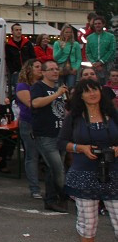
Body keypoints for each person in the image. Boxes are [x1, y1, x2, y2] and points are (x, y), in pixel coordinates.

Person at [59, 78, 118, 242]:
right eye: (87, 91)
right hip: (84, 173)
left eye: (96, 90)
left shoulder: (113, 114)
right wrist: (80, 148)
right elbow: (62, 142)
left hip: (115, 173)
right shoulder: (74, 117)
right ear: (80, 95)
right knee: (87, 220)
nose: (92, 94)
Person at [31, 59, 70, 213]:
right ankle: (64, 196)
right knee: (58, 168)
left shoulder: (58, 89)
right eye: (51, 69)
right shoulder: (38, 87)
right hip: (45, 135)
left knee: (53, 169)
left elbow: (62, 110)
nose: (55, 71)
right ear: (44, 72)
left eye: (56, 69)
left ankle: (52, 199)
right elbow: (35, 103)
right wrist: (56, 94)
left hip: (60, 134)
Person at [14, 59, 43, 199]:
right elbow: (33, 104)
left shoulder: (45, 85)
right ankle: (34, 188)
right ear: (29, 69)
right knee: (32, 156)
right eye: (37, 67)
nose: (40, 69)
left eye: (41, 67)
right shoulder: (22, 86)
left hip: (45, 124)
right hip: (29, 123)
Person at [5, 24, 35, 93]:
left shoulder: (27, 43)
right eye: (17, 30)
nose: (19, 31)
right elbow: (8, 59)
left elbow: (33, 56)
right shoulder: (9, 45)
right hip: (16, 71)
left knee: (30, 89)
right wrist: (13, 70)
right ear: (12, 31)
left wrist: (31, 67)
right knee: (18, 90)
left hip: (28, 70)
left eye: (20, 30)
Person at [86, 16, 115, 84]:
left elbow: (112, 50)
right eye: (95, 24)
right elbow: (88, 52)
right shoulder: (89, 38)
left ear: (103, 24)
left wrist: (101, 61)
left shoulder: (110, 36)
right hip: (94, 65)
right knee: (95, 84)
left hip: (108, 64)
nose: (97, 25)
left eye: (99, 23)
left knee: (109, 84)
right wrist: (94, 63)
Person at [53, 24, 82, 89]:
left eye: (70, 32)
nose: (68, 34)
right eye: (66, 32)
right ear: (62, 33)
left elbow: (79, 58)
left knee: (71, 87)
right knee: (60, 87)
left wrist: (76, 68)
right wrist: (61, 49)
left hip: (72, 68)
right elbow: (55, 57)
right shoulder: (57, 43)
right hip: (61, 68)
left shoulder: (75, 44)